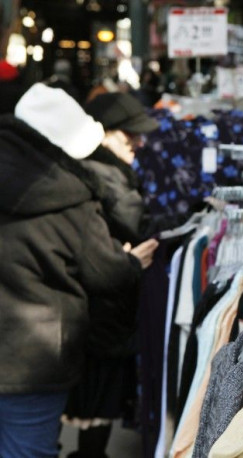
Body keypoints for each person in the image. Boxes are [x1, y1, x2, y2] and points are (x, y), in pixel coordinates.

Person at [0, 83, 157, 457]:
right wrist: (132, 261)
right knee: (28, 450)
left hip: (29, 356)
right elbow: (106, 273)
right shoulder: (73, 196)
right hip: (35, 360)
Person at [62, 91, 160, 458]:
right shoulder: (104, 175)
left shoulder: (94, 169)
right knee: (94, 397)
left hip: (95, 308)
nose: (137, 143)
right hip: (100, 306)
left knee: (88, 399)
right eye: (126, 135)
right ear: (101, 134)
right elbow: (130, 226)